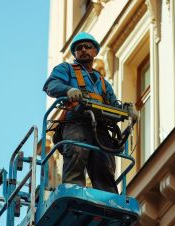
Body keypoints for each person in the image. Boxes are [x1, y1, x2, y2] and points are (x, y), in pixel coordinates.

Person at [43, 32, 137, 194]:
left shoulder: (102, 82)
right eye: (79, 48)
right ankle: (74, 190)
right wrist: (68, 90)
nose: (84, 50)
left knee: (105, 162)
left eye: (88, 46)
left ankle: (108, 197)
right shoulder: (66, 69)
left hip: (99, 126)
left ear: (95, 51)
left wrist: (127, 112)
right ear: (75, 53)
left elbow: (113, 103)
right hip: (76, 122)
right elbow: (51, 85)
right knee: (77, 151)